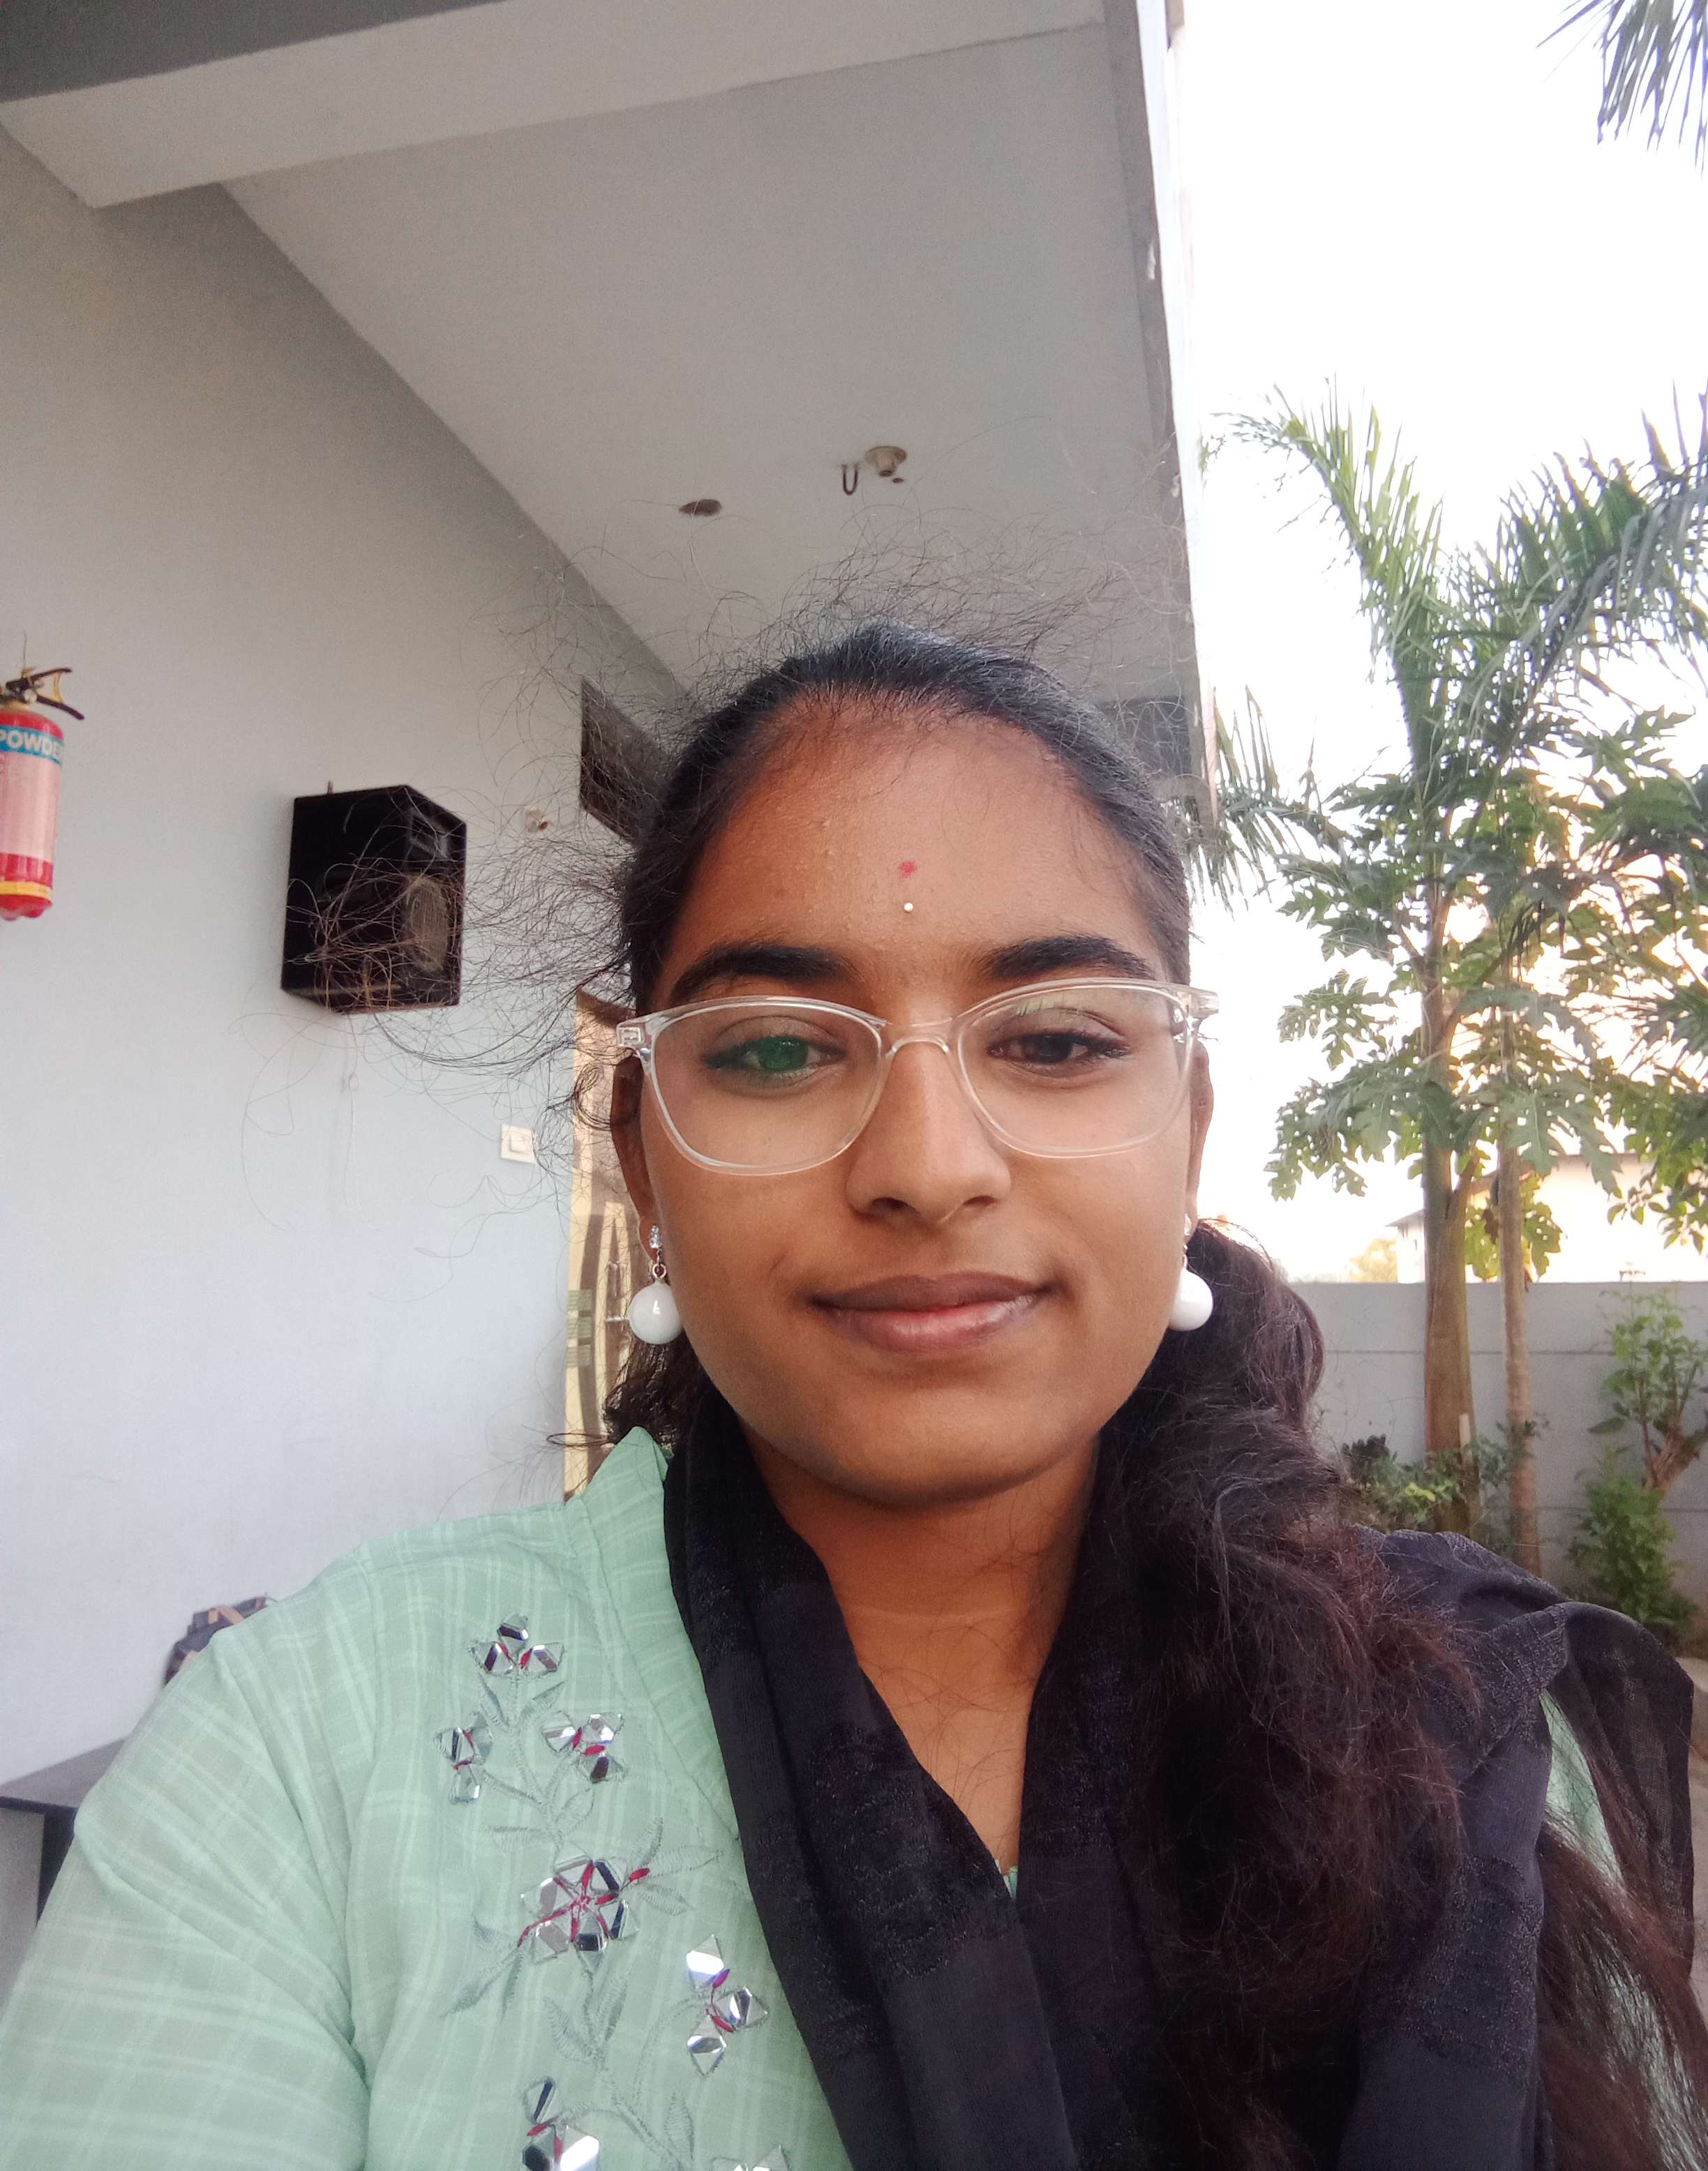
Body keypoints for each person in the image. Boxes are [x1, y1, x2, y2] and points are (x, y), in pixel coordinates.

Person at [0, 622, 1703, 2170]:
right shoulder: (301, 1756)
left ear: (1188, 1132)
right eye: (773, 1049)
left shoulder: (1467, 1737)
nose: (927, 1165)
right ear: (643, 1161)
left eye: (1055, 1039)